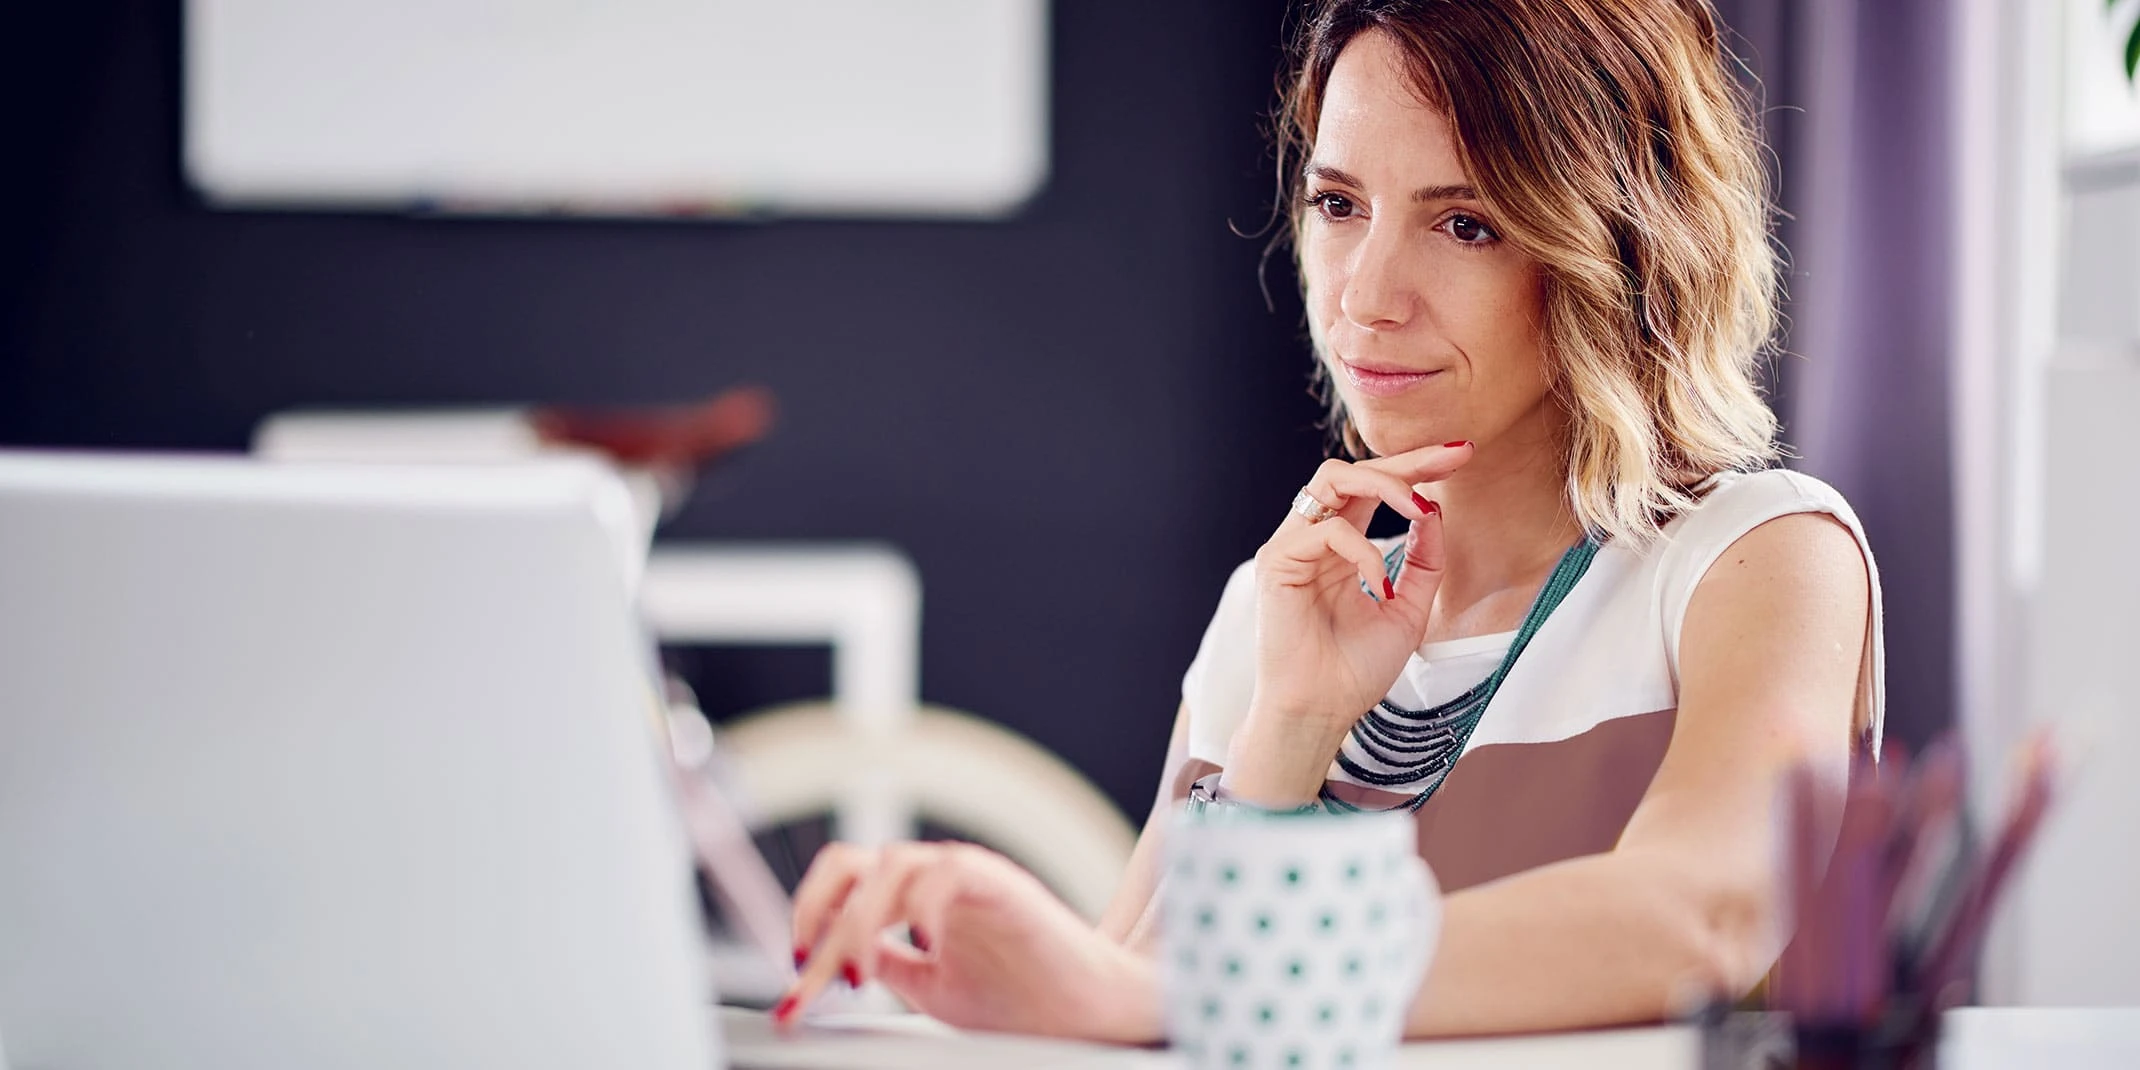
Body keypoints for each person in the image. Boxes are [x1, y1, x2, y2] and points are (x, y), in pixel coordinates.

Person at [773, 0, 1882, 1042]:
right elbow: (1134, 1024)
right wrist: (1290, 723)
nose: (1364, 292)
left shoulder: (1759, 554)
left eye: (1465, 222)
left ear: (1622, 248)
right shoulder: (1277, 607)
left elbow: (1697, 914)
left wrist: (1188, 980)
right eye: (1339, 203)